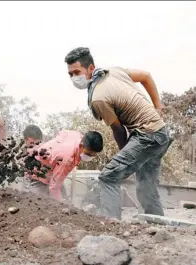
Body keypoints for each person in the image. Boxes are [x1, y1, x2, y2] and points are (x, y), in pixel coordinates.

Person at [65, 47, 172, 219]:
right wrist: (157, 106)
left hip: (146, 136)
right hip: (161, 133)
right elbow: (146, 76)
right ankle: (157, 227)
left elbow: (118, 129)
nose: (74, 78)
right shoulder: (114, 72)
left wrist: (124, 153)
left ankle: (112, 225)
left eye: (77, 72)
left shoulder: (97, 97)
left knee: (109, 177)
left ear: (91, 68)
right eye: (70, 74)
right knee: (146, 186)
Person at [21, 125, 103, 202]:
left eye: (93, 155)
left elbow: (62, 132)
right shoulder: (67, 158)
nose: (90, 157)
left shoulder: (77, 135)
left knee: (65, 200)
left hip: (52, 172)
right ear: (81, 145)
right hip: (37, 176)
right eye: (88, 154)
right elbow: (54, 188)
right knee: (39, 205)